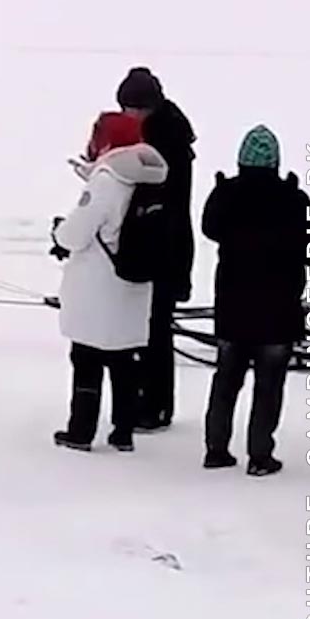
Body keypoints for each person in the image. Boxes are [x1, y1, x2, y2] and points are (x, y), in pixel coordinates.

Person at [197, 125, 310, 476]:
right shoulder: (294, 200)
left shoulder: (228, 195)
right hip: (278, 312)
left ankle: (216, 448)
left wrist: (220, 190)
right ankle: (260, 454)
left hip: (233, 308)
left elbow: (209, 228)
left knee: (225, 382)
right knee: (269, 387)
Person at [50, 112, 166, 452]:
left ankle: (80, 431)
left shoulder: (107, 180)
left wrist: (58, 232)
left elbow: (77, 233)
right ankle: (123, 431)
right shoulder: (152, 177)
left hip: (98, 286)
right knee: (124, 362)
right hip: (134, 284)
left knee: (86, 360)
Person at [116, 67, 197, 431]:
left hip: (162, 243)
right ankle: (152, 402)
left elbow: (159, 195)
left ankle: (155, 405)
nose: (127, 116)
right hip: (167, 240)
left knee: (154, 329)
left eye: (131, 109)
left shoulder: (163, 142)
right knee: (151, 327)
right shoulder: (167, 133)